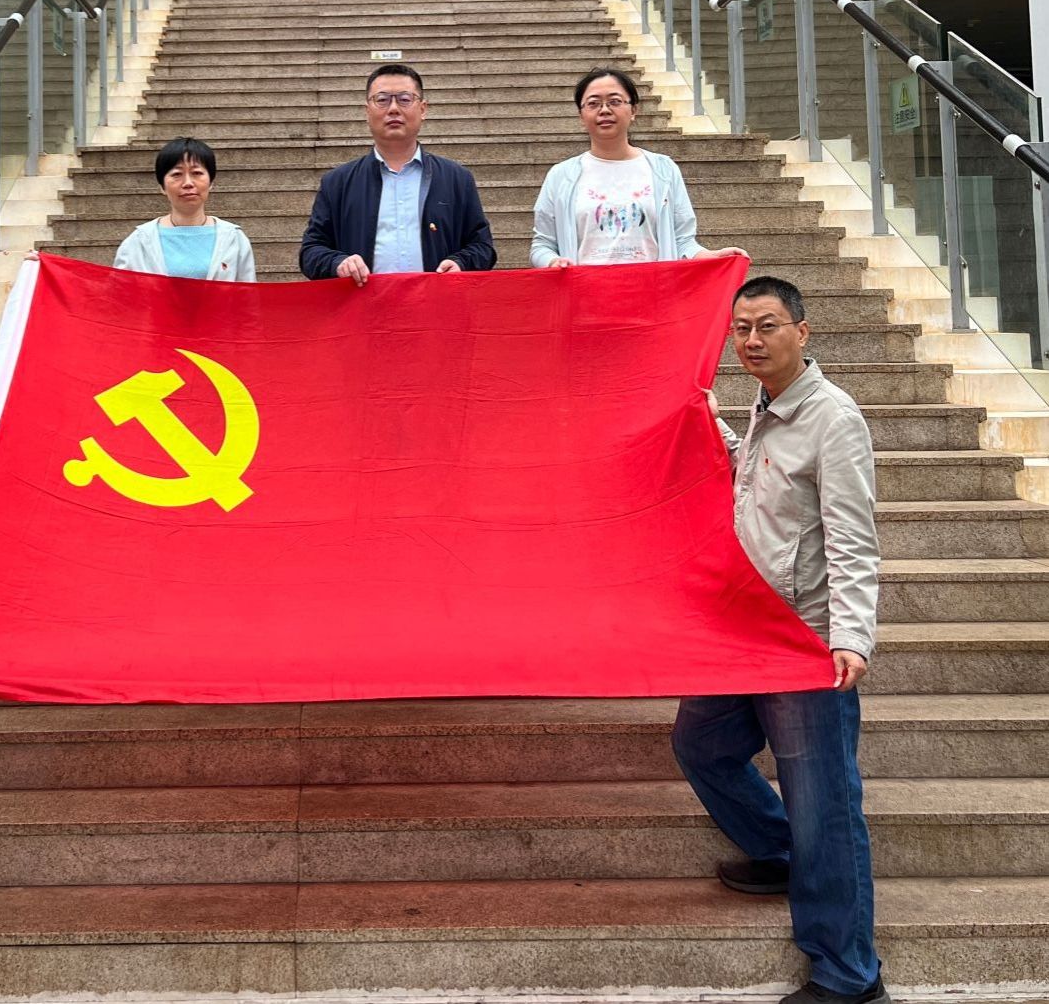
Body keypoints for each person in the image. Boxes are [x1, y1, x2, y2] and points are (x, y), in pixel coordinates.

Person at [674, 275, 886, 1004]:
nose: (752, 341)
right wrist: (718, 432)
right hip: (744, 629)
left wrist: (850, 636)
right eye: (741, 329)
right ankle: (781, 848)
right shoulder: (766, 405)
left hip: (803, 641)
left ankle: (848, 974)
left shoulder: (834, 418)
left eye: (767, 326)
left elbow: (853, 540)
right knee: (701, 745)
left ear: (803, 331)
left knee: (825, 803)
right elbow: (758, 486)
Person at [299, 62, 496, 284]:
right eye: (382, 100)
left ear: (423, 109)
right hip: (363, 302)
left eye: (404, 99)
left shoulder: (456, 179)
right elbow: (311, 251)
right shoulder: (338, 182)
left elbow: (482, 247)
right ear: (367, 111)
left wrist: (461, 262)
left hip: (436, 301)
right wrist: (339, 263)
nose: (393, 109)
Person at [530, 66, 744, 267]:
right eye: (593, 103)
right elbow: (542, 245)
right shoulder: (561, 176)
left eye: (615, 101)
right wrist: (552, 261)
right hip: (586, 291)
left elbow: (682, 240)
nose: (604, 110)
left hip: (652, 289)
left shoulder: (664, 170)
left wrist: (709, 256)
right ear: (581, 115)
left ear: (633, 110)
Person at [112, 136, 256, 280]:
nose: (188, 183)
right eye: (177, 174)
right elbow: (120, 291)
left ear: (211, 182)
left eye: (197, 173)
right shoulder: (139, 241)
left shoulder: (233, 238)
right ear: (162, 186)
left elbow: (247, 291)